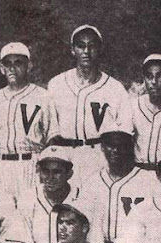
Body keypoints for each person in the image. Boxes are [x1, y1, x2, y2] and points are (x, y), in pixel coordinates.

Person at [47, 24, 133, 186]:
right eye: (81, 46)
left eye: (92, 46)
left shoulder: (114, 88)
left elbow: (125, 132)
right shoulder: (56, 84)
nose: (86, 51)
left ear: (100, 49)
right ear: (73, 50)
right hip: (65, 157)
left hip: (100, 157)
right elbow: (50, 130)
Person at [0, 42, 58, 203]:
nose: (12, 68)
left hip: (32, 164)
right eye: (7, 63)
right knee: (3, 216)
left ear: (29, 66)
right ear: (1, 68)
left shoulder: (43, 96)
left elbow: (52, 139)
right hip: (1, 165)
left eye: (18, 62)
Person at [17, 146, 99, 243]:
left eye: (57, 172)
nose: (50, 177)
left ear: (69, 174)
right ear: (39, 172)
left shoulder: (84, 199)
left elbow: (94, 241)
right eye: (45, 171)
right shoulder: (28, 197)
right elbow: (21, 241)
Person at [87, 130, 157, 243]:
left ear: (130, 147)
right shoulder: (92, 181)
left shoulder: (148, 179)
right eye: (111, 145)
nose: (115, 150)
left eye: (121, 145)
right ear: (103, 147)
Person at [131, 54, 161, 169]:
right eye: (149, 76)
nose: (154, 81)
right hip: (139, 173)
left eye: (159, 76)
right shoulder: (134, 105)